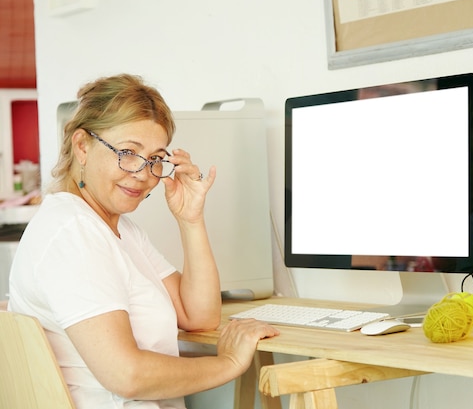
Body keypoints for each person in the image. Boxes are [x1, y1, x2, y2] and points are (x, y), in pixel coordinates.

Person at [8, 73, 279, 409]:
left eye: (155, 159)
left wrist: (190, 219)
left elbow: (199, 315)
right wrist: (229, 364)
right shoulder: (73, 232)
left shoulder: (117, 229)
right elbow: (126, 375)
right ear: (82, 147)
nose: (142, 173)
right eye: (127, 152)